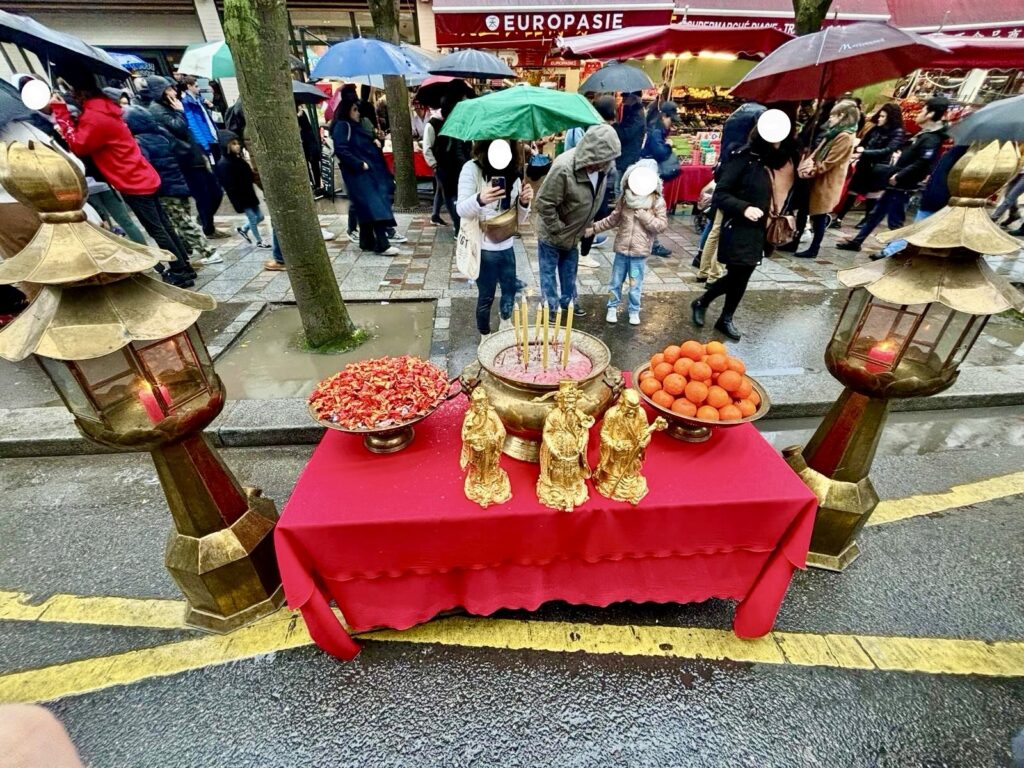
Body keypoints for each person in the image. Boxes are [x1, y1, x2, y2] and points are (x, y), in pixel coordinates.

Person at [51, 71, 195, 287]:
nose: (69, 94)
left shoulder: (94, 117)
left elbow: (79, 145)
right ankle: (184, 266)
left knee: (157, 228)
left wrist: (61, 114)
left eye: (69, 89)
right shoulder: (104, 108)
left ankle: (180, 270)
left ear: (79, 91)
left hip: (132, 180)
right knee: (163, 225)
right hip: (141, 174)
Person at [691, 112, 796, 340]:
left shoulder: (785, 161)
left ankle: (714, 310)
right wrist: (744, 207)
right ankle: (714, 310)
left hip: (763, 228)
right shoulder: (745, 157)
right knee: (738, 274)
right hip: (739, 226)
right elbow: (721, 194)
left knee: (742, 275)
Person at [838, 96, 950, 253]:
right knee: (876, 214)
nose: (919, 113)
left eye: (923, 110)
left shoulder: (931, 138)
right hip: (896, 181)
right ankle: (857, 241)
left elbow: (922, 163)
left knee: (895, 220)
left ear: (930, 114)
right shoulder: (925, 134)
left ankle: (892, 250)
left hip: (902, 184)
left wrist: (899, 176)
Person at [534, 123, 622, 317]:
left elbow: (593, 198)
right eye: (602, 160)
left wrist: (586, 225)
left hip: (574, 233)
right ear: (593, 154)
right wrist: (558, 228)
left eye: (608, 160)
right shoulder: (563, 168)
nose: (605, 164)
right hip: (553, 233)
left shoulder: (604, 169)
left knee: (569, 272)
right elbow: (543, 203)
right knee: (548, 273)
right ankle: (551, 307)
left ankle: (569, 302)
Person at [124, 106, 222, 265]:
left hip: (166, 188)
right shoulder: (162, 135)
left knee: (183, 222)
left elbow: (145, 164)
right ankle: (186, 248)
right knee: (181, 219)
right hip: (179, 182)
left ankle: (209, 252)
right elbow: (181, 151)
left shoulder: (140, 143)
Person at [456, 139, 534, 335]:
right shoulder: (472, 169)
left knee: (509, 291)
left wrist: (524, 203)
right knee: (486, 296)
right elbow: (461, 210)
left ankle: (506, 325)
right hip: (483, 248)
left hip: (507, 245)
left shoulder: (515, 173)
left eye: (507, 140)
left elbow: (518, 220)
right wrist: (480, 199)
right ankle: (485, 334)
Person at [145, 75, 227, 240]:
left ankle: (205, 221)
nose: (174, 92)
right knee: (204, 195)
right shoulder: (158, 110)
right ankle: (208, 227)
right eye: (169, 89)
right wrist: (180, 111)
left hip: (194, 155)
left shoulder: (171, 106)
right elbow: (180, 128)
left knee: (216, 192)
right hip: (185, 160)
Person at [589, 159, 668, 326]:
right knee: (616, 281)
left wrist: (646, 218)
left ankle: (634, 310)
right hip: (622, 250)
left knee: (635, 284)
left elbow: (661, 226)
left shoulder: (656, 201)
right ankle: (612, 307)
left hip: (639, 253)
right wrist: (594, 228)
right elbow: (613, 219)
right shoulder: (625, 200)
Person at [694, 101, 767, 280]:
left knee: (715, 228)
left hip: (724, 172)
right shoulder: (758, 116)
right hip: (735, 185)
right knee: (723, 229)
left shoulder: (737, 114)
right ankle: (714, 274)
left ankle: (703, 270)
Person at [785, 99, 858, 259]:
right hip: (816, 180)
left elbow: (830, 162)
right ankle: (795, 241)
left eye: (833, 115)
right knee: (804, 211)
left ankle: (814, 248)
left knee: (819, 215)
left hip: (825, 182)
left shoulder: (845, 136)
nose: (830, 119)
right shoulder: (834, 133)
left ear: (842, 116)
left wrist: (813, 169)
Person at [332, 95, 401, 256]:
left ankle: (367, 241)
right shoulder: (343, 126)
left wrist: (375, 141)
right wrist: (359, 163)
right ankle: (382, 244)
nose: (358, 113)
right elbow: (341, 149)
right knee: (375, 205)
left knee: (367, 207)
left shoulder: (354, 126)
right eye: (354, 110)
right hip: (358, 174)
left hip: (364, 173)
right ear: (347, 111)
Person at [831, 103, 905, 229]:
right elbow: (864, 142)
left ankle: (866, 220)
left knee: (871, 196)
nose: (880, 118)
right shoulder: (875, 128)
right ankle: (839, 218)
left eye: (883, 116)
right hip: (865, 164)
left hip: (878, 167)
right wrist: (860, 150)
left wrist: (864, 152)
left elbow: (888, 150)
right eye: (880, 116)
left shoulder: (897, 132)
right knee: (852, 192)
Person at [577, 96, 619, 269]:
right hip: (595, 180)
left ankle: (583, 248)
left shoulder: (591, 127)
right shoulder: (598, 130)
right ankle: (583, 252)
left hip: (596, 179)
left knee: (591, 215)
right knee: (592, 216)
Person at [215, 131, 270, 248]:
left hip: (249, 194)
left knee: (260, 216)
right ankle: (259, 241)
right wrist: (237, 200)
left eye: (237, 143)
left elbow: (249, 175)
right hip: (241, 197)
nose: (238, 146)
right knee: (253, 218)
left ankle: (243, 229)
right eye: (233, 144)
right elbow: (229, 185)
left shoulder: (239, 160)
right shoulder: (224, 164)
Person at [641, 102, 679, 258]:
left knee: (649, 207)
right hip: (649, 170)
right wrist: (669, 145)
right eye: (671, 119)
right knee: (652, 207)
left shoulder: (655, 128)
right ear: (664, 116)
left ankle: (650, 242)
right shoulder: (656, 131)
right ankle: (653, 244)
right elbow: (660, 153)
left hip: (647, 169)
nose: (671, 123)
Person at [433, 92, 472, 235]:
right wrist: (467, 166)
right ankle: (458, 227)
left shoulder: (448, 123)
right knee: (453, 197)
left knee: (452, 196)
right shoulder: (455, 125)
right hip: (452, 168)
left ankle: (458, 226)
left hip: (449, 167)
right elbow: (457, 150)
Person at [422, 106, 448, 227]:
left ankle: (435, 215)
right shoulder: (431, 125)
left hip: (445, 162)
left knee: (440, 188)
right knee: (445, 189)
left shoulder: (445, 121)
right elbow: (427, 147)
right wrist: (433, 164)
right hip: (439, 163)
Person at [181, 77, 219, 160]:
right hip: (207, 138)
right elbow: (193, 124)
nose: (199, 88)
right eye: (196, 86)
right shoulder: (187, 102)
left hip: (211, 134)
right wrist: (204, 144)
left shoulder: (198, 98)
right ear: (189, 86)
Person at [616, 92, 646, 183]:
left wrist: (615, 125)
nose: (623, 99)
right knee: (619, 183)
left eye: (626, 97)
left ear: (633, 98)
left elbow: (626, 134)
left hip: (629, 154)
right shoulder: (631, 111)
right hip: (627, 153)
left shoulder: (637, 115)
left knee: (620, 184)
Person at [297, 106, 322, 193]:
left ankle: (316, 185)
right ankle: (314, 184)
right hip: (306, 142)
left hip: (309, 142)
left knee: (313, 163)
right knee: (309, 165)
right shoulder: (301, 113)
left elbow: (307, 127)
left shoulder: (303, 113)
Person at [991, 168, 1024, 232]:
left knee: (1010, 198)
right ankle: (1014, 214)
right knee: (1007, 195)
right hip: (1017, 171)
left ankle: (994, 217)